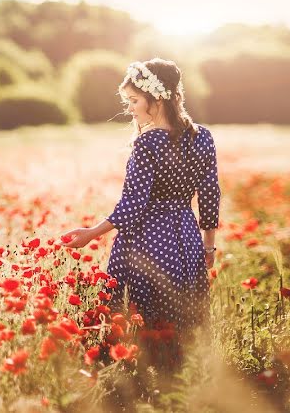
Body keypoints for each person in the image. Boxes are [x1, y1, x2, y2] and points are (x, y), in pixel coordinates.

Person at [60, 57, 221, 373]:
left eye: (134, 100)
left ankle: (141, 376)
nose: (130, 108)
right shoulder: (202, 136)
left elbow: (134, 204)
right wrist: (208, 245)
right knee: (180, 313)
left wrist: (91, 233)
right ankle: (180, 376)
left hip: (148, 239)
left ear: (156, 98)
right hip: (186, 237)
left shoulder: (149, 142)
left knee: (142, 314)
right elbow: (210, 193)